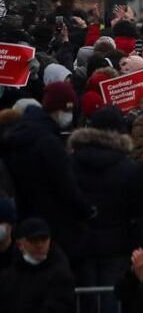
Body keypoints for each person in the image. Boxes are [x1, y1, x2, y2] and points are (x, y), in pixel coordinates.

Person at [1, 81, 93, 260]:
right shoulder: (48, 142)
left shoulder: (20, 134)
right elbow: (66, 185)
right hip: (53, 223)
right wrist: (85, 209)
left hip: (24, 218)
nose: (69, 115)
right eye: (67, 109)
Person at [70, 106, 143, 307]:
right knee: (112, 300)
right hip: (117, 246)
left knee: (86, 302)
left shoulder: (71, 163)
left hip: (81, 244)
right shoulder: (128, 168)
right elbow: (136, 208)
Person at [0, 217, 76, 313]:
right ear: (20, 244)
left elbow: (58, 307)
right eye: (33, 240)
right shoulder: (8, 277)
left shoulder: (61, 276)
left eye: (44, 239)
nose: (39, 245)